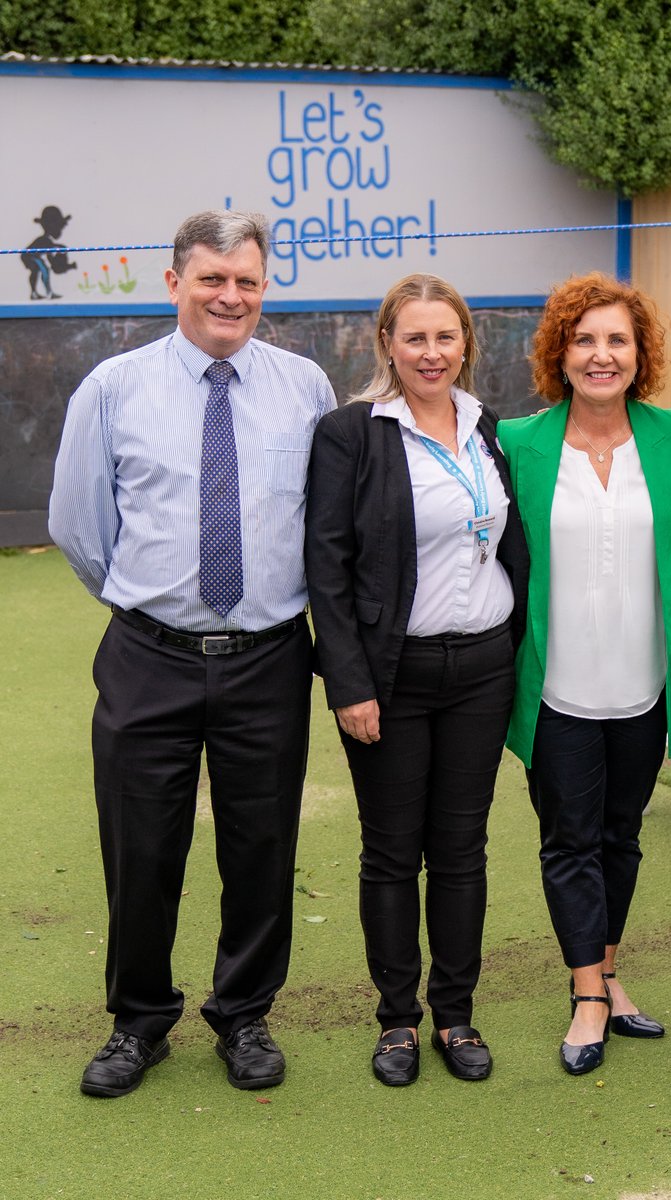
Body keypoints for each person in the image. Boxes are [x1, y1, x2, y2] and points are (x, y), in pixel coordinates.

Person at [48, 209, 336, 1097]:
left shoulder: (306, 388)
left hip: (268, 659)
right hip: (149, 655)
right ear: (174, 282)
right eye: (212, 278)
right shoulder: (112, 388)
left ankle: (244, 1016)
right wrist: (155, 614)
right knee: (140, 845)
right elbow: (79, 527)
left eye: (247, 280)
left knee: (261, 844)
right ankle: (138, 1023)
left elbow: (321, 527)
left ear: (264, 287)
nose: (230, 296)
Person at [304, 274, 528, 1087]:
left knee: (462, 851)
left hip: (481, 669)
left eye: (445, 337)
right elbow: (326, 569)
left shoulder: (486, 427)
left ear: (465, 341)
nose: (431, 353)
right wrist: (349, 683)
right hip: (388, 678)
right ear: (387, 346)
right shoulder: (353, 434)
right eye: (415, 338)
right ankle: (397, 1020)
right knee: (393, 853)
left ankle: (456, 1016)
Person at [499, 273, 671, 1075]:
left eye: (617, 339)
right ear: (559, 352)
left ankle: (607, 973)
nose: (601, 354)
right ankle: (586, 995)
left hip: (645, 683)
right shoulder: (518, 442)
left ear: (639, 353)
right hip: (559, 687)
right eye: (584, 339)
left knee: (623, 836)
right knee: (569, 839)